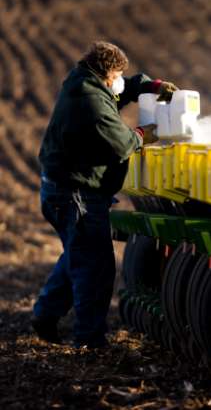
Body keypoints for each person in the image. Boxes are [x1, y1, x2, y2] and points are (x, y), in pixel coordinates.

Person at [32, 41, 178, 348]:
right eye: (119, 74)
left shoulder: (83, 82)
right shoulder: (91, 101)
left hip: (60, 190)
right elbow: (122, 143)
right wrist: (144, 134)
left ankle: (45, 316)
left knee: (77, 256)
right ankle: (90, 340)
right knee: (94, 269)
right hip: (77, 196)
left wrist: (147, 85)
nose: (120, 80)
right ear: (107, 72)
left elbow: (118, 94)